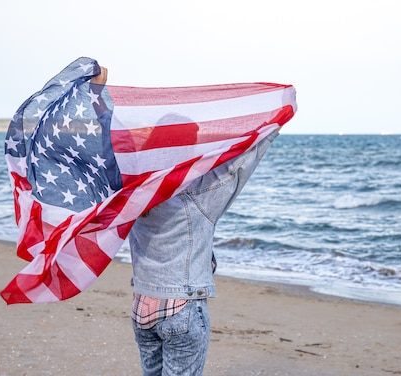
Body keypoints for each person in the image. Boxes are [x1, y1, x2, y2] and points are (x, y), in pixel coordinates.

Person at [92, 66, 279, 376]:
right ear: (192, 146)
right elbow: (242, 165)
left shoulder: (132, 186)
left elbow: (110, 144)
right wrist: (275, 119)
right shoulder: (200, 193)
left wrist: (97, 97)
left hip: (142, 306)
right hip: (181, 307)